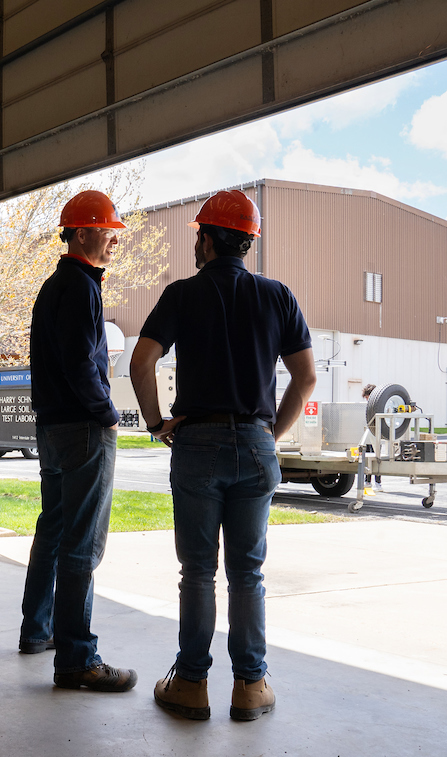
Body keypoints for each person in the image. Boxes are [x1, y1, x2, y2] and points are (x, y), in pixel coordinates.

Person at [129, 190, 316, 720]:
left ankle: (190, 685)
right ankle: (250, 686)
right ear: (247, 243)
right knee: (247, 573)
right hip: (255, 442)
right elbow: (305, 378)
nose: (195, 244)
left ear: (209, 240)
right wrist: (268, 435)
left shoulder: (182, 295)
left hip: (197, 445)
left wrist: (156, 424)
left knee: (197, 571)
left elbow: (141, 362)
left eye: (198, 235)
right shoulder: (278, 296)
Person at [19, 190, 137, 693]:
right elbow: (80, 363)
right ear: (83, 232)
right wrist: (107, 415)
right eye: (108, 231)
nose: (115, 240)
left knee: (54, 528)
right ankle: (77, 659)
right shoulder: (81, 287)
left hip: (52, 427)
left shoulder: (54, 286)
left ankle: (38, 630)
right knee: (82, 544)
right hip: (82, 430)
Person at [361, 384, 383, 492]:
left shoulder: (378, 406)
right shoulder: (369, 406)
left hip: (377, 435)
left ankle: (378, 483)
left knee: (377, 458)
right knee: (368, 458)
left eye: (367, 397)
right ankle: (368, 481)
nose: (367, 400)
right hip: (370, 434)